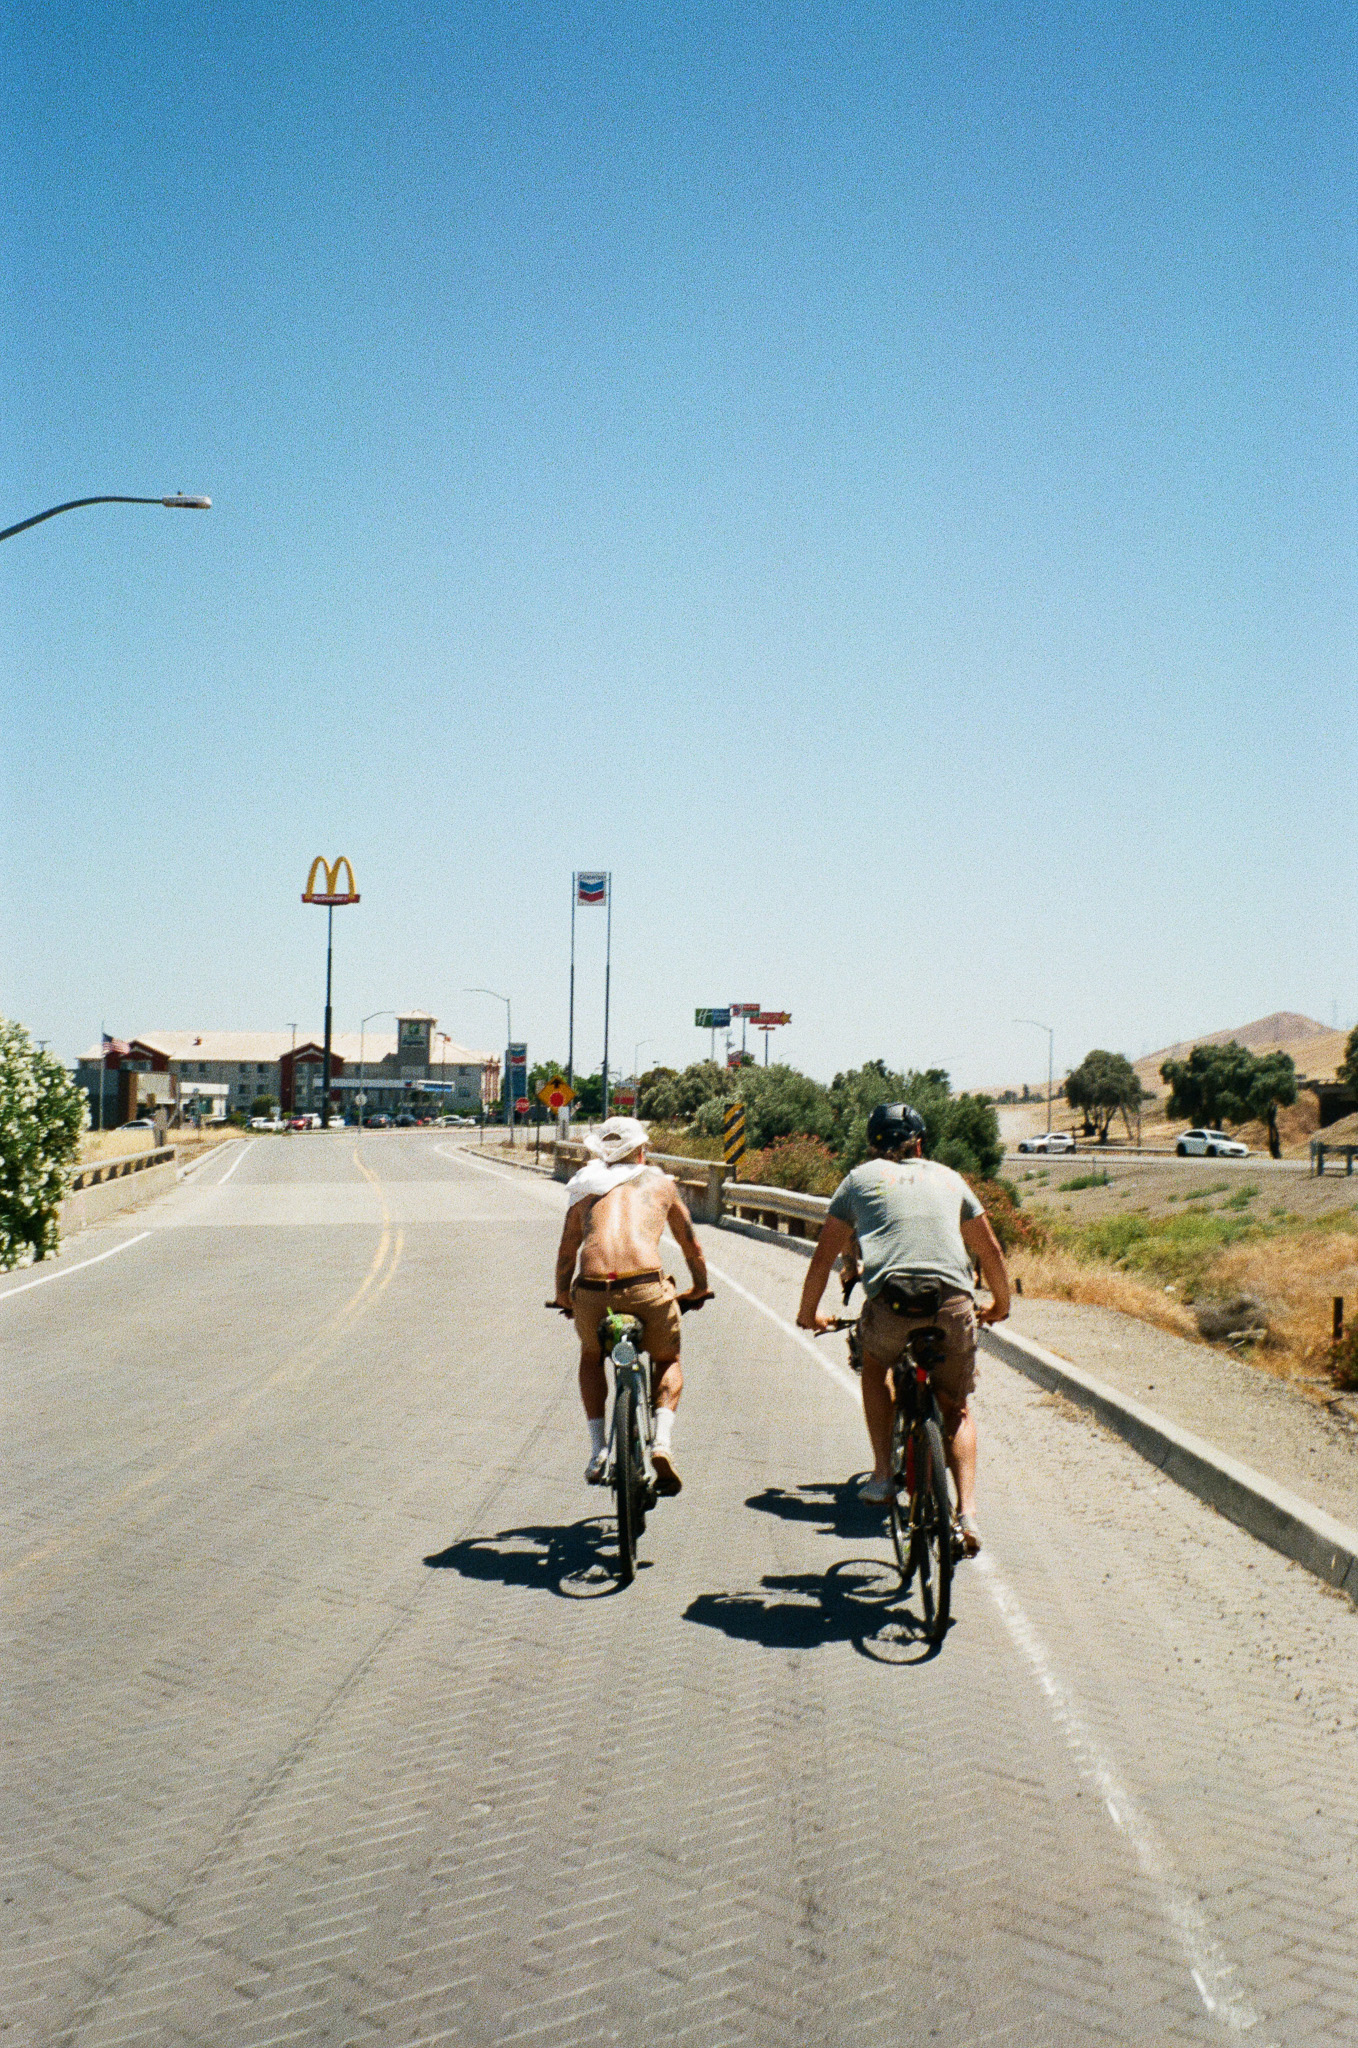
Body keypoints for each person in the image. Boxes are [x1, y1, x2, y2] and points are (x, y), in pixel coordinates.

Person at [796, 1101, 1010, 1555]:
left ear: (874, 1144)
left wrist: (808, 1313)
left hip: (892, 1306)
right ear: (921, 1142)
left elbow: (823, 1255)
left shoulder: (859, 1179)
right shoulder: (950, 1178)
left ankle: (881, 1476)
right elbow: (989, 1249)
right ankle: (967, 1514)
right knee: (958, 1410)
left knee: (875, 1367)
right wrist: (1001, 1304)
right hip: (952, 1302)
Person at [553, 1116, 710, 1494]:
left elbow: (566, 1252)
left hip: (592, 1293)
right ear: (641, 1152)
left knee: (592, 1356)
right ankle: (662, 1442)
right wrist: (699, 1289)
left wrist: (563, 1296)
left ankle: (597, 1451)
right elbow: (692, 1246)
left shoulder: (585, 1188)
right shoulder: (661, 1184)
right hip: (645, 1288)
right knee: (667, 1358)